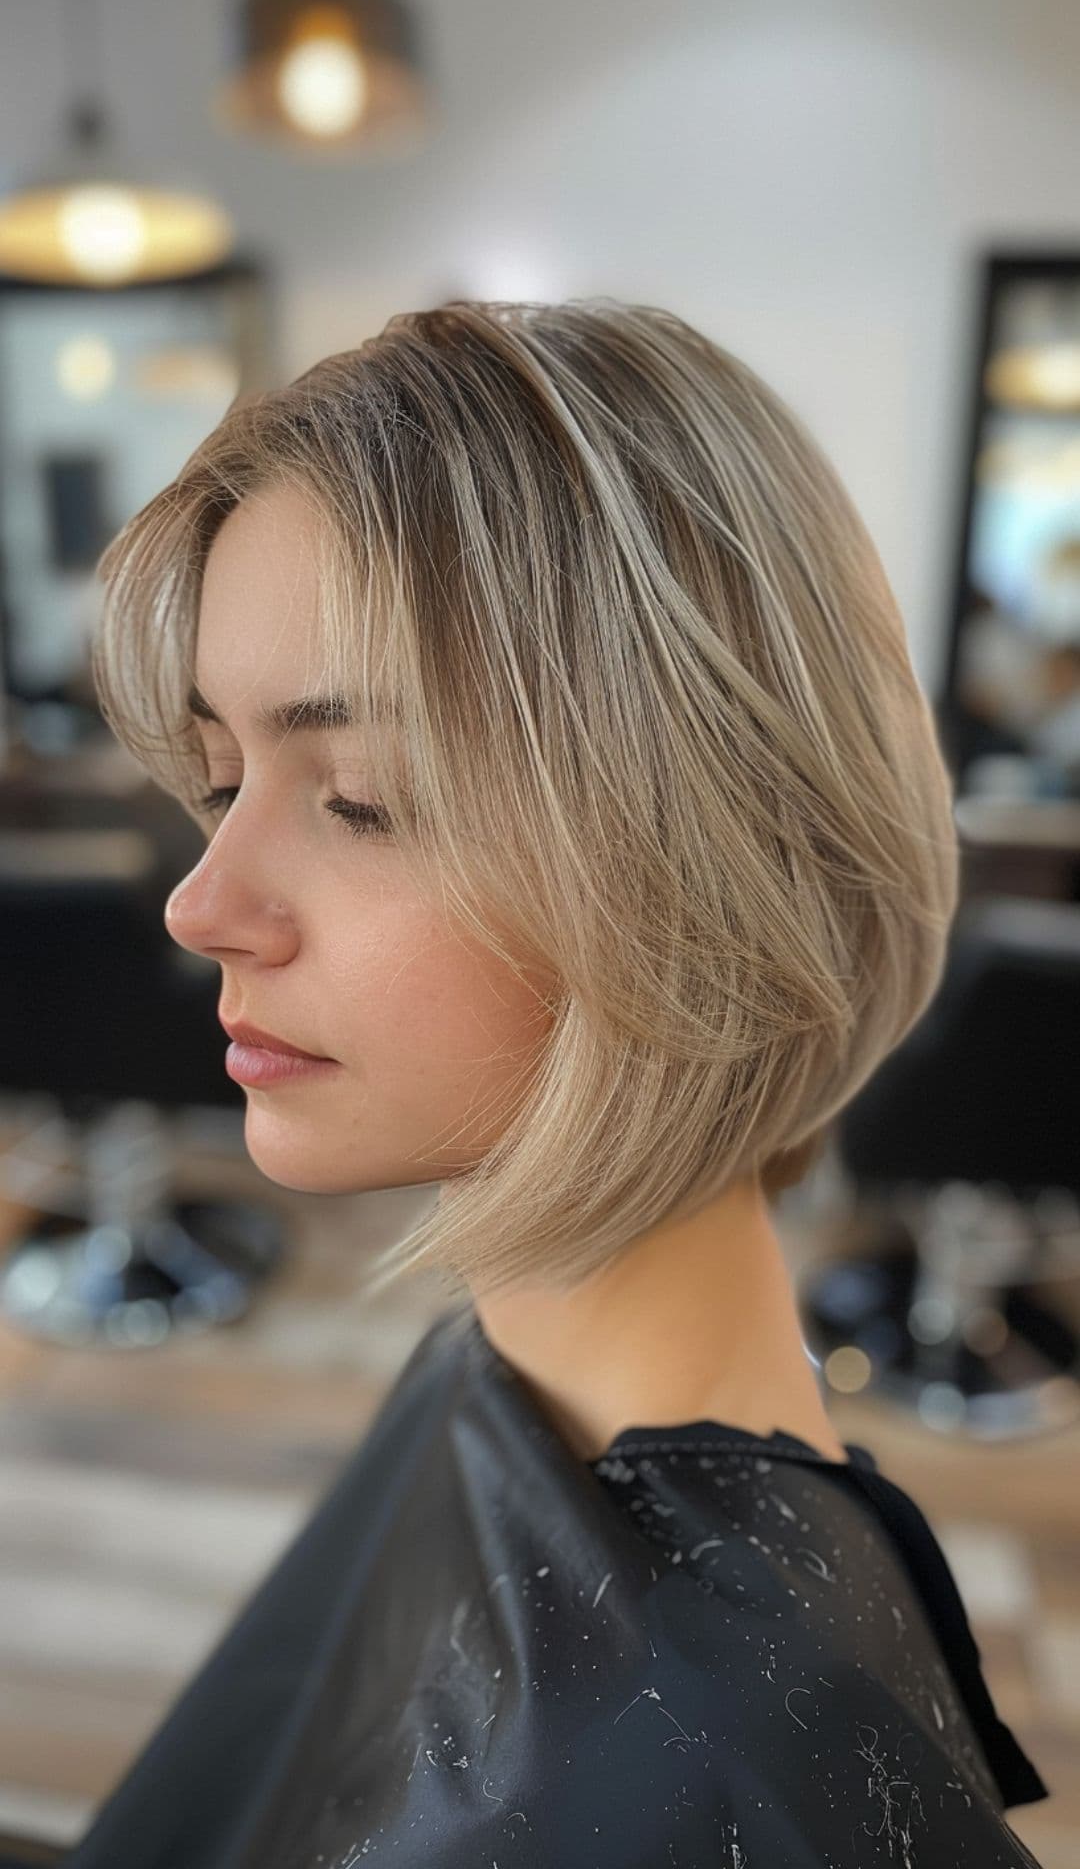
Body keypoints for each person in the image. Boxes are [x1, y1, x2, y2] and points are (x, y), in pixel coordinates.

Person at [67, 299, 1048, 1866]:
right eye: (224, 780)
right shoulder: (502, 1373)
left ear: (707, 862)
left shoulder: (728, 1788)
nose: (201, 904)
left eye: (365, 799)